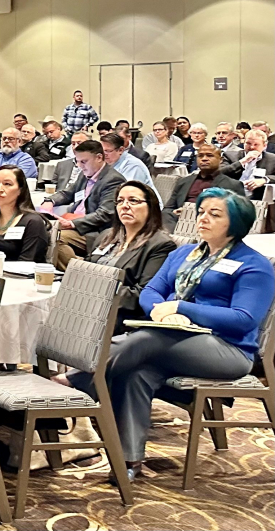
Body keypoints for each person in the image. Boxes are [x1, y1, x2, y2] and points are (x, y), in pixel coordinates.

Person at [67, 188, 273, 483]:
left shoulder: (254, 265)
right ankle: (130, 458)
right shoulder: (183, 253)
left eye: (215, 215)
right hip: (174, 338)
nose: (203, 218)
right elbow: (151, 292)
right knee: (137, 371)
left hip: (229, 350)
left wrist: (181, 307)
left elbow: (244, 319)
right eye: (202, 211)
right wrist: (160, 312)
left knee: (150, 339)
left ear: (237, 223)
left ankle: (74, 381)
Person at [85, 181, 177, 331]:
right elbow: (86, 268)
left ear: (151, 207)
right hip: (87, 306)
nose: (125, 206)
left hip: (120, 317)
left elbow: (142, 294)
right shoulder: (106, 236)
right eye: (120, 201)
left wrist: (97, 290)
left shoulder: (160, 245)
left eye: (133, 201)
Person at [40, 140, 127, 270]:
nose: (80, 166)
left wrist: (73, 223)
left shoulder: (113, 180)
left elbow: (104, 214)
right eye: (78, 162)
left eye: (84, 162)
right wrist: (50, 201)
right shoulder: (85, 174)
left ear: (99, 157)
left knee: (55, 238)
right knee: (38, 231)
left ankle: (81, 272)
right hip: (74, 221)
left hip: (95, 230)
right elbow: (68, 193)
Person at [163, 143, 246, 230]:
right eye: (200, 156)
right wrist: (175, 214)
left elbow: (239, 216)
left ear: (220, 160)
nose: (204, 159)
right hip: (178, 224)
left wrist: (192, 213)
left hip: (211, 227)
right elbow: (168, 209)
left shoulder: (233, 185)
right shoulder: (184, 181)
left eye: (209, 156)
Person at [219, 129, 275, 199]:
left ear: (264, 145)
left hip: (258, 197)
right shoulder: (230, 155)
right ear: (244, 143)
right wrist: (242, 161)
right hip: (231, 196)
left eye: (256, 144)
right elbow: (220, 173)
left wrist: (265, 179)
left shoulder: (272, 159)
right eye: (248, 143)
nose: (252, 147)